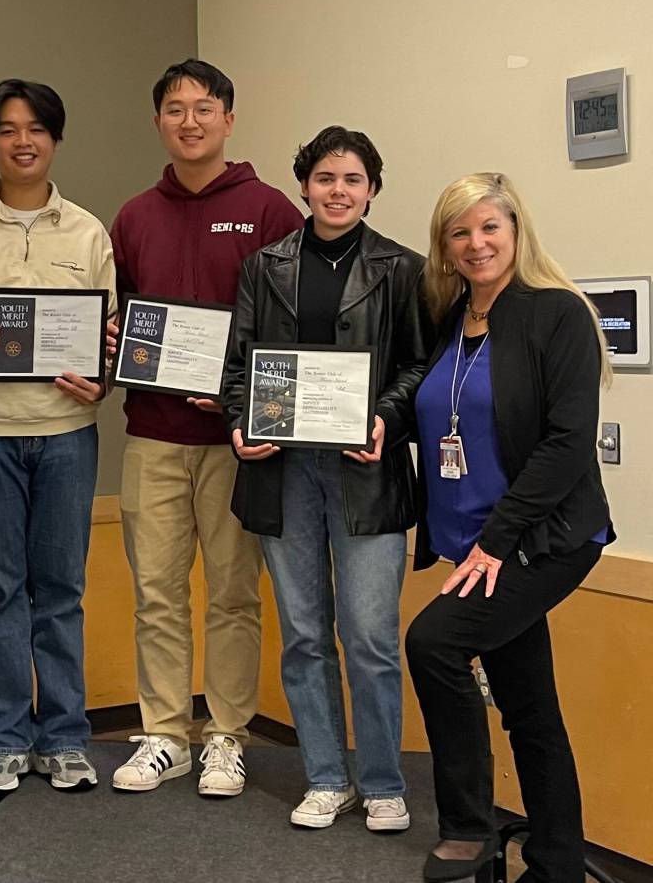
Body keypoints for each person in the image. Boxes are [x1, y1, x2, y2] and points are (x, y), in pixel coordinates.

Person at [223, 126, 433, 831]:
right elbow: (238, 367)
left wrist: (385, 419)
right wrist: (240, 425)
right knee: (305, 633)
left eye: (352, 179)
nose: (337, 191)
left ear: (372, 188)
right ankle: (324, 775)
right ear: (304, 185)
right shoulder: (265, 266)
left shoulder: (403, 268)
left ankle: (381, 781)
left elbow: (420, 367)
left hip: (364, 472)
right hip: (283, 470)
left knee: (370, 635)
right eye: (324, 178)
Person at [405, 172, 613, 883]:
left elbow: (566, 442)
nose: (475, 242)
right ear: (445, 246)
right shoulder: (450, 320)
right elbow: (433, 410)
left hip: (540, 540)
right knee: (528, 706)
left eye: (489, 227)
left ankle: (470, 827)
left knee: (432, 642)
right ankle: (556, 862)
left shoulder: (559, 314)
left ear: (516, 232)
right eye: (459, 231)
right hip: (472, 541)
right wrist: (375, 426)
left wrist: (498, 541)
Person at [110, 59, 304, 797]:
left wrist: (237, 394)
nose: (189, 121)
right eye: (174, 109)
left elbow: (293, 330)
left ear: (228, 117)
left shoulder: (269, 210)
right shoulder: (133, 215)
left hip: (234, 444)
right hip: (152, 435)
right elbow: (122, 317)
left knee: (232, 592)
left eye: (203, 108)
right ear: (157, 120)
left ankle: (225, 732)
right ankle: (164, 730)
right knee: (156, 591)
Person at [0, 79, 116, 792]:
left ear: (55, 139)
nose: (23, 141)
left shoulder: (88, 230)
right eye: (7, 129)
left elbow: (110, 337)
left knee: (61, 587)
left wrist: (103, 378)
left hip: (68, 432)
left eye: (36, 128)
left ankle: (65, 734)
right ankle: (3, 735)